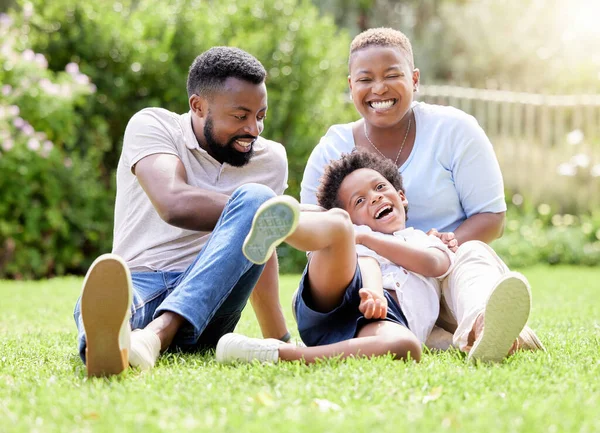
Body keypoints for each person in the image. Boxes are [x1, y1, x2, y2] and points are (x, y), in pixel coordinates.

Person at [299, 27, 543, 350]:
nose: (379, 88)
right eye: (365, 79)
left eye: (391, 75)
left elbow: (491, 216)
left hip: (446, 269)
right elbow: (317, 234)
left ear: (414, 79)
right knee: (400, 320)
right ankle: (477, 338)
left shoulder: (454, 130)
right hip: (376, 287)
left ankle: (483, 325)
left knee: (473, 254)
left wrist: (443, 245)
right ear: (350, 85)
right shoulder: (333, 149)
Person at [73, 46, 292, 377]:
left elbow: (261, 248)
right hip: (141, 280)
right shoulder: (154, 126)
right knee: (111, 306)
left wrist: (280, 338)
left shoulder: (271, 160)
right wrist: (250, 212)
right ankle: (112, 342)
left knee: (258, 200)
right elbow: (173, 203)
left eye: (260, 116)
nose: (253, 130)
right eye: (240, 116)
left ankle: (153, 336)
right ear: (198, 106)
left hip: (213, 302)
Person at [216, 151, 532, 364]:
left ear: (402, 196)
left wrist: (371, 240)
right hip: (343, 289)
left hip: (385, 319)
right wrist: (373, 286)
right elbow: (366, 261)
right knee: (338, 227)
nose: (376, 197)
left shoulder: (423, 239)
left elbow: (435, 264)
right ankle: (287, 226)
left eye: (380, 187)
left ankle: (283, 354)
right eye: (361, 200)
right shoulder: (358, 235)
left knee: (406, 346)